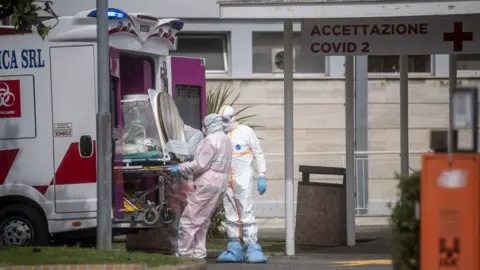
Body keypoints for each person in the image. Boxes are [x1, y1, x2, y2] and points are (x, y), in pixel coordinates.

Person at [169, 114, 233, 260]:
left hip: (208, 183)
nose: (203, 127)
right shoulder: (225, 139)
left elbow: (200, 164)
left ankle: (184, 255)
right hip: (220, 184)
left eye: (204, 124)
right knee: (202, 221)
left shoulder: (211, 140)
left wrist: (180, 167)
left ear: (209, 124)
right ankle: (198, 255)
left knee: (189, 220)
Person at [216, 105, 268, 263]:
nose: (224, 123)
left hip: (243, 178)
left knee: (246, 212)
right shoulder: (219, 135)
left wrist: (262, 175)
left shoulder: (245, 132)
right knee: (230, 212)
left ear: (232, 118)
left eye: (226, 120)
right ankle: (234, 248)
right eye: (221, 120)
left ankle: (252, 246)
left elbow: (258, 153)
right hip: (226, 179)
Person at [166, 124, 204, 255]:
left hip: (188, 179)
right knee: (174, 215)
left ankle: (191, 249)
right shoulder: (164, 132)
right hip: (172, 179)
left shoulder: (194, 133)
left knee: (190, 215)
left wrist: (171, 151)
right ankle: (176, 249)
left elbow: (189, 153)